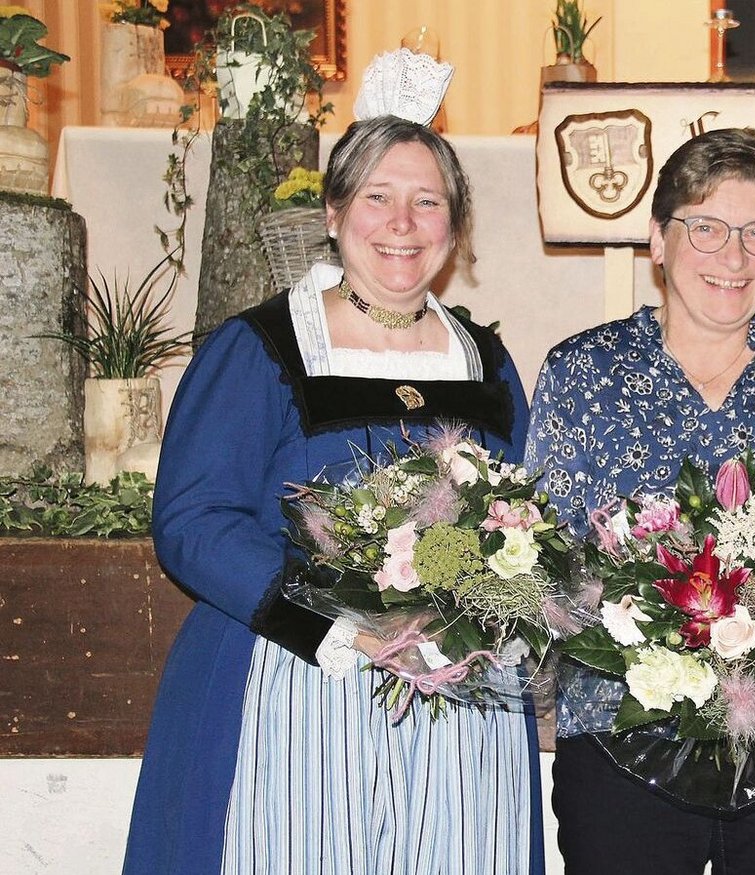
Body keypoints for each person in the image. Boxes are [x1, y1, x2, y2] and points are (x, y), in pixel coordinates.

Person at [122, 115, 543, 875]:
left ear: (455, 221)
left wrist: (484, 593)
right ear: (333, 211)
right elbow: (192, 521)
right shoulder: (260, 349)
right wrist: (350, 618)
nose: (402, 225)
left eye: (428, 201)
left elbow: (525, 517)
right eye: (378, 196)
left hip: (457, 688)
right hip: (296, 675)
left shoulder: (483, 359)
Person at [526, 127, 755, 874]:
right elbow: (547, 568)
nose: (735, 256)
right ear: (658, 240)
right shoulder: (585, 374)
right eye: (708, 228)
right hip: (622, 746)